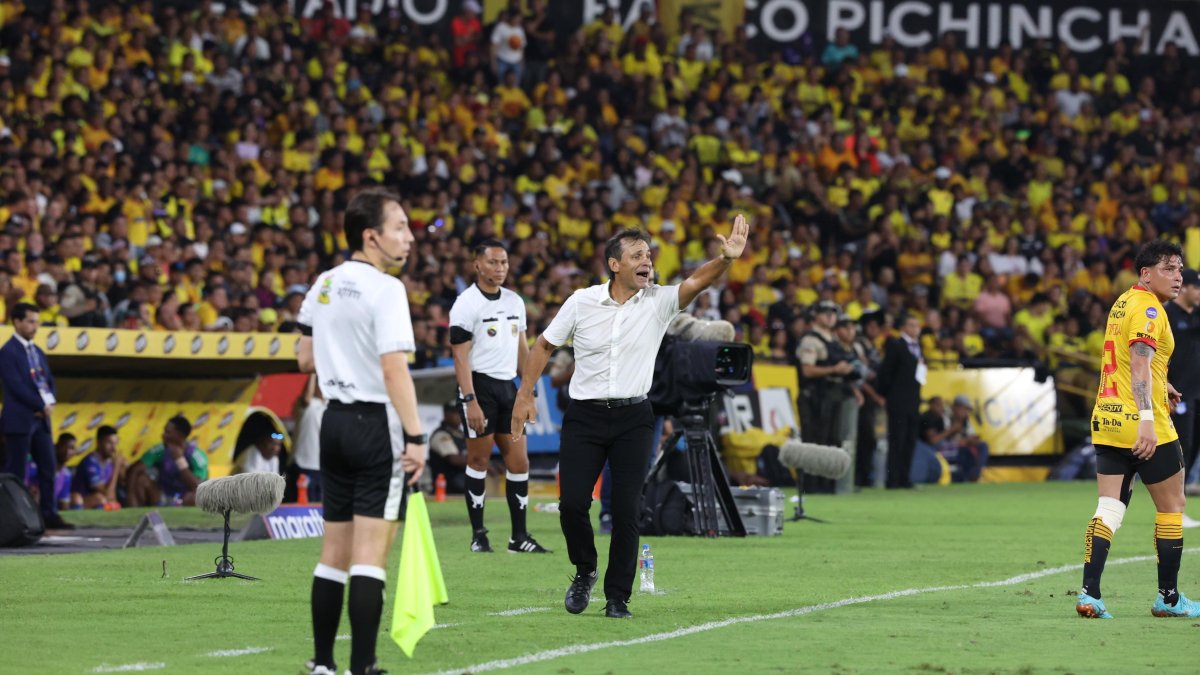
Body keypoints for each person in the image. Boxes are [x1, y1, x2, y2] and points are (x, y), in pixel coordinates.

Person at [512, 217, 750, 620]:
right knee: (571, 504)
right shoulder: (581, 301)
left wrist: (724, 260)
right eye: (637, 255)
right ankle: (585, 569)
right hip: (584, 417)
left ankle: (618, 596)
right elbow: (544, 344)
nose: (647, 261)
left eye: (649, 255)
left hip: (634, 417)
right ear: (614, 264)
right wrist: (525, 392)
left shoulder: (659, 301)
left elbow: (696, 282)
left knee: (626, 509)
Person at [296, 188, 427, 675]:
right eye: (400, 227)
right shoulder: (386, 288)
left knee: (333, 553)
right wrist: (416, 438)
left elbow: (303, 357)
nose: (409, 238)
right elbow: (394, 369)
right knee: (370, 557)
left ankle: (323, 664)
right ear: (371, 236)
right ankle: (363, 666)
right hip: (374, 424)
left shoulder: (325, 282)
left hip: (331, 422)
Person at [1077, 240, 1200, 619]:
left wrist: (1163, 383)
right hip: (1144, 424)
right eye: (1169, 269)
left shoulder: (1123, 302)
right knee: (1172, 508)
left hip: (1109, 418)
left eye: (1180, 269)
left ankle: (1089, 594)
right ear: (1146, 273)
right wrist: (1147, 420)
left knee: (1109, 507)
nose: (1178, 277)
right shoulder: (1150, 309)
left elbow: (1129, 359)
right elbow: (1140, 364)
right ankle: (1168, 597)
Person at [448, 238, 549, 553]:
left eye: (504, 262)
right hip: (479, 387)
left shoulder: (515, 301)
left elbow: (523, 350)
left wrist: (527, 391)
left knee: (519, 462)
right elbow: (460, 358)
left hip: (508, 388)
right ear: (478, 264)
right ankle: (479, 535)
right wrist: (470, 400)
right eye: (493, 262)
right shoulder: (466, 304)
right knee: (478, 459)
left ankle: (518, 537)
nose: (500, 268)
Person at [0, 303, 73, 529]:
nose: (35, 326)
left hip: (42, 420)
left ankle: (49, 514)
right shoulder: (7, 352)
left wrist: (50, 401)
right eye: (30, 321)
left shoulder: (37, 351)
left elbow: (48, 380)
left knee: (48, 467)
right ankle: (16, 519)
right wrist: (41, 404)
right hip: (20, 419)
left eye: (37, 322)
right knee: (17, 473)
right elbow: (15, 386)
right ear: (17, 322)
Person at [877, 314, 925, 489]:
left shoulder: (919, 347)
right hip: (898, 400)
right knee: (897, 440)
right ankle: (893, 480)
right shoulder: (895, 345)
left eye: (917, 326)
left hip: (913, 401)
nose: (915, 329)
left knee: (910, 440)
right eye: (911, 325)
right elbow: (886, 372)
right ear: (904, 327)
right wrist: (885, 394)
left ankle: (905, 478)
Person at [1165, 268, 1200, 496]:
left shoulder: (1196, 315)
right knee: (1180, 449)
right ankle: (1172, 504)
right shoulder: (1167, 315)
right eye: (1197, 287)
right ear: (1184, 287)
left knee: (1193, 447)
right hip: (1177, 394)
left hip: (1197, 394)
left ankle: (1180, 499)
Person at [125, 416, 208, 506]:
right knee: (141, 480)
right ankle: (140, 513)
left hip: (185, 498)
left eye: (167, 432)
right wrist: (131, 495)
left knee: (197, 495)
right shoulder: (160, 450)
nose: (163, 435)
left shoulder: (197, 455)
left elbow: (197, 487)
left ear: (180, 436)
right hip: (162, 495)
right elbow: (134, 470)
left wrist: (179, 459)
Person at [290, 374, 326, 503]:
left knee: (319, 508)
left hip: (322, 468)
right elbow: (306, 398)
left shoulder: (329, 407)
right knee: (302, 504)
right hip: (303, 465)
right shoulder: (307, 405)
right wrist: (313, 373)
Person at [72, 426, 124, 509]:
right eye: (109, 443)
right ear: (99, 442)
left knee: (114, 505)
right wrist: (116, 468)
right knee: (100, 499)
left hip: (101, 501)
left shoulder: (109, 463)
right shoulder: (90, 462)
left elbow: (112, 497)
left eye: (115, 443)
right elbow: (106, 494)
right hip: (80, 505)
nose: (114, 448)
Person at [428, 401, 469, 494]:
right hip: (446, 490)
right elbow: (454, 460)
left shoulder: (461, 434)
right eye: (455, 412)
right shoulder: (441, 434)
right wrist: (480, 464)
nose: (459, 416)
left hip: (462, 487)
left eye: (461, 412)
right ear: (446, 414)